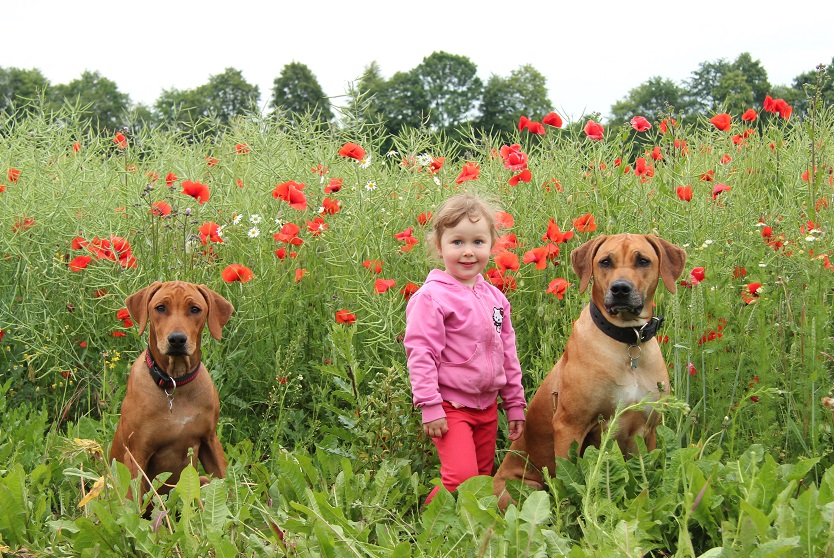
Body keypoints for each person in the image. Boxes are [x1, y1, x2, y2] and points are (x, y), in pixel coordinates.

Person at [404, 192, 526, 505]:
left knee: (483, 479)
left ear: (491, 245)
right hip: (449, 406)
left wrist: (514, 403)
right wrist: (429, 405)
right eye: (457, 242)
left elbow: (507, 354)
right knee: (461, 478)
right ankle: (430, 527)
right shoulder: (432, 298)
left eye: (477, 242)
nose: (468, 252)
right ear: (438, 244)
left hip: (486, 408)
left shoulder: (496, 299)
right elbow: (421, 353)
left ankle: (471, 534)